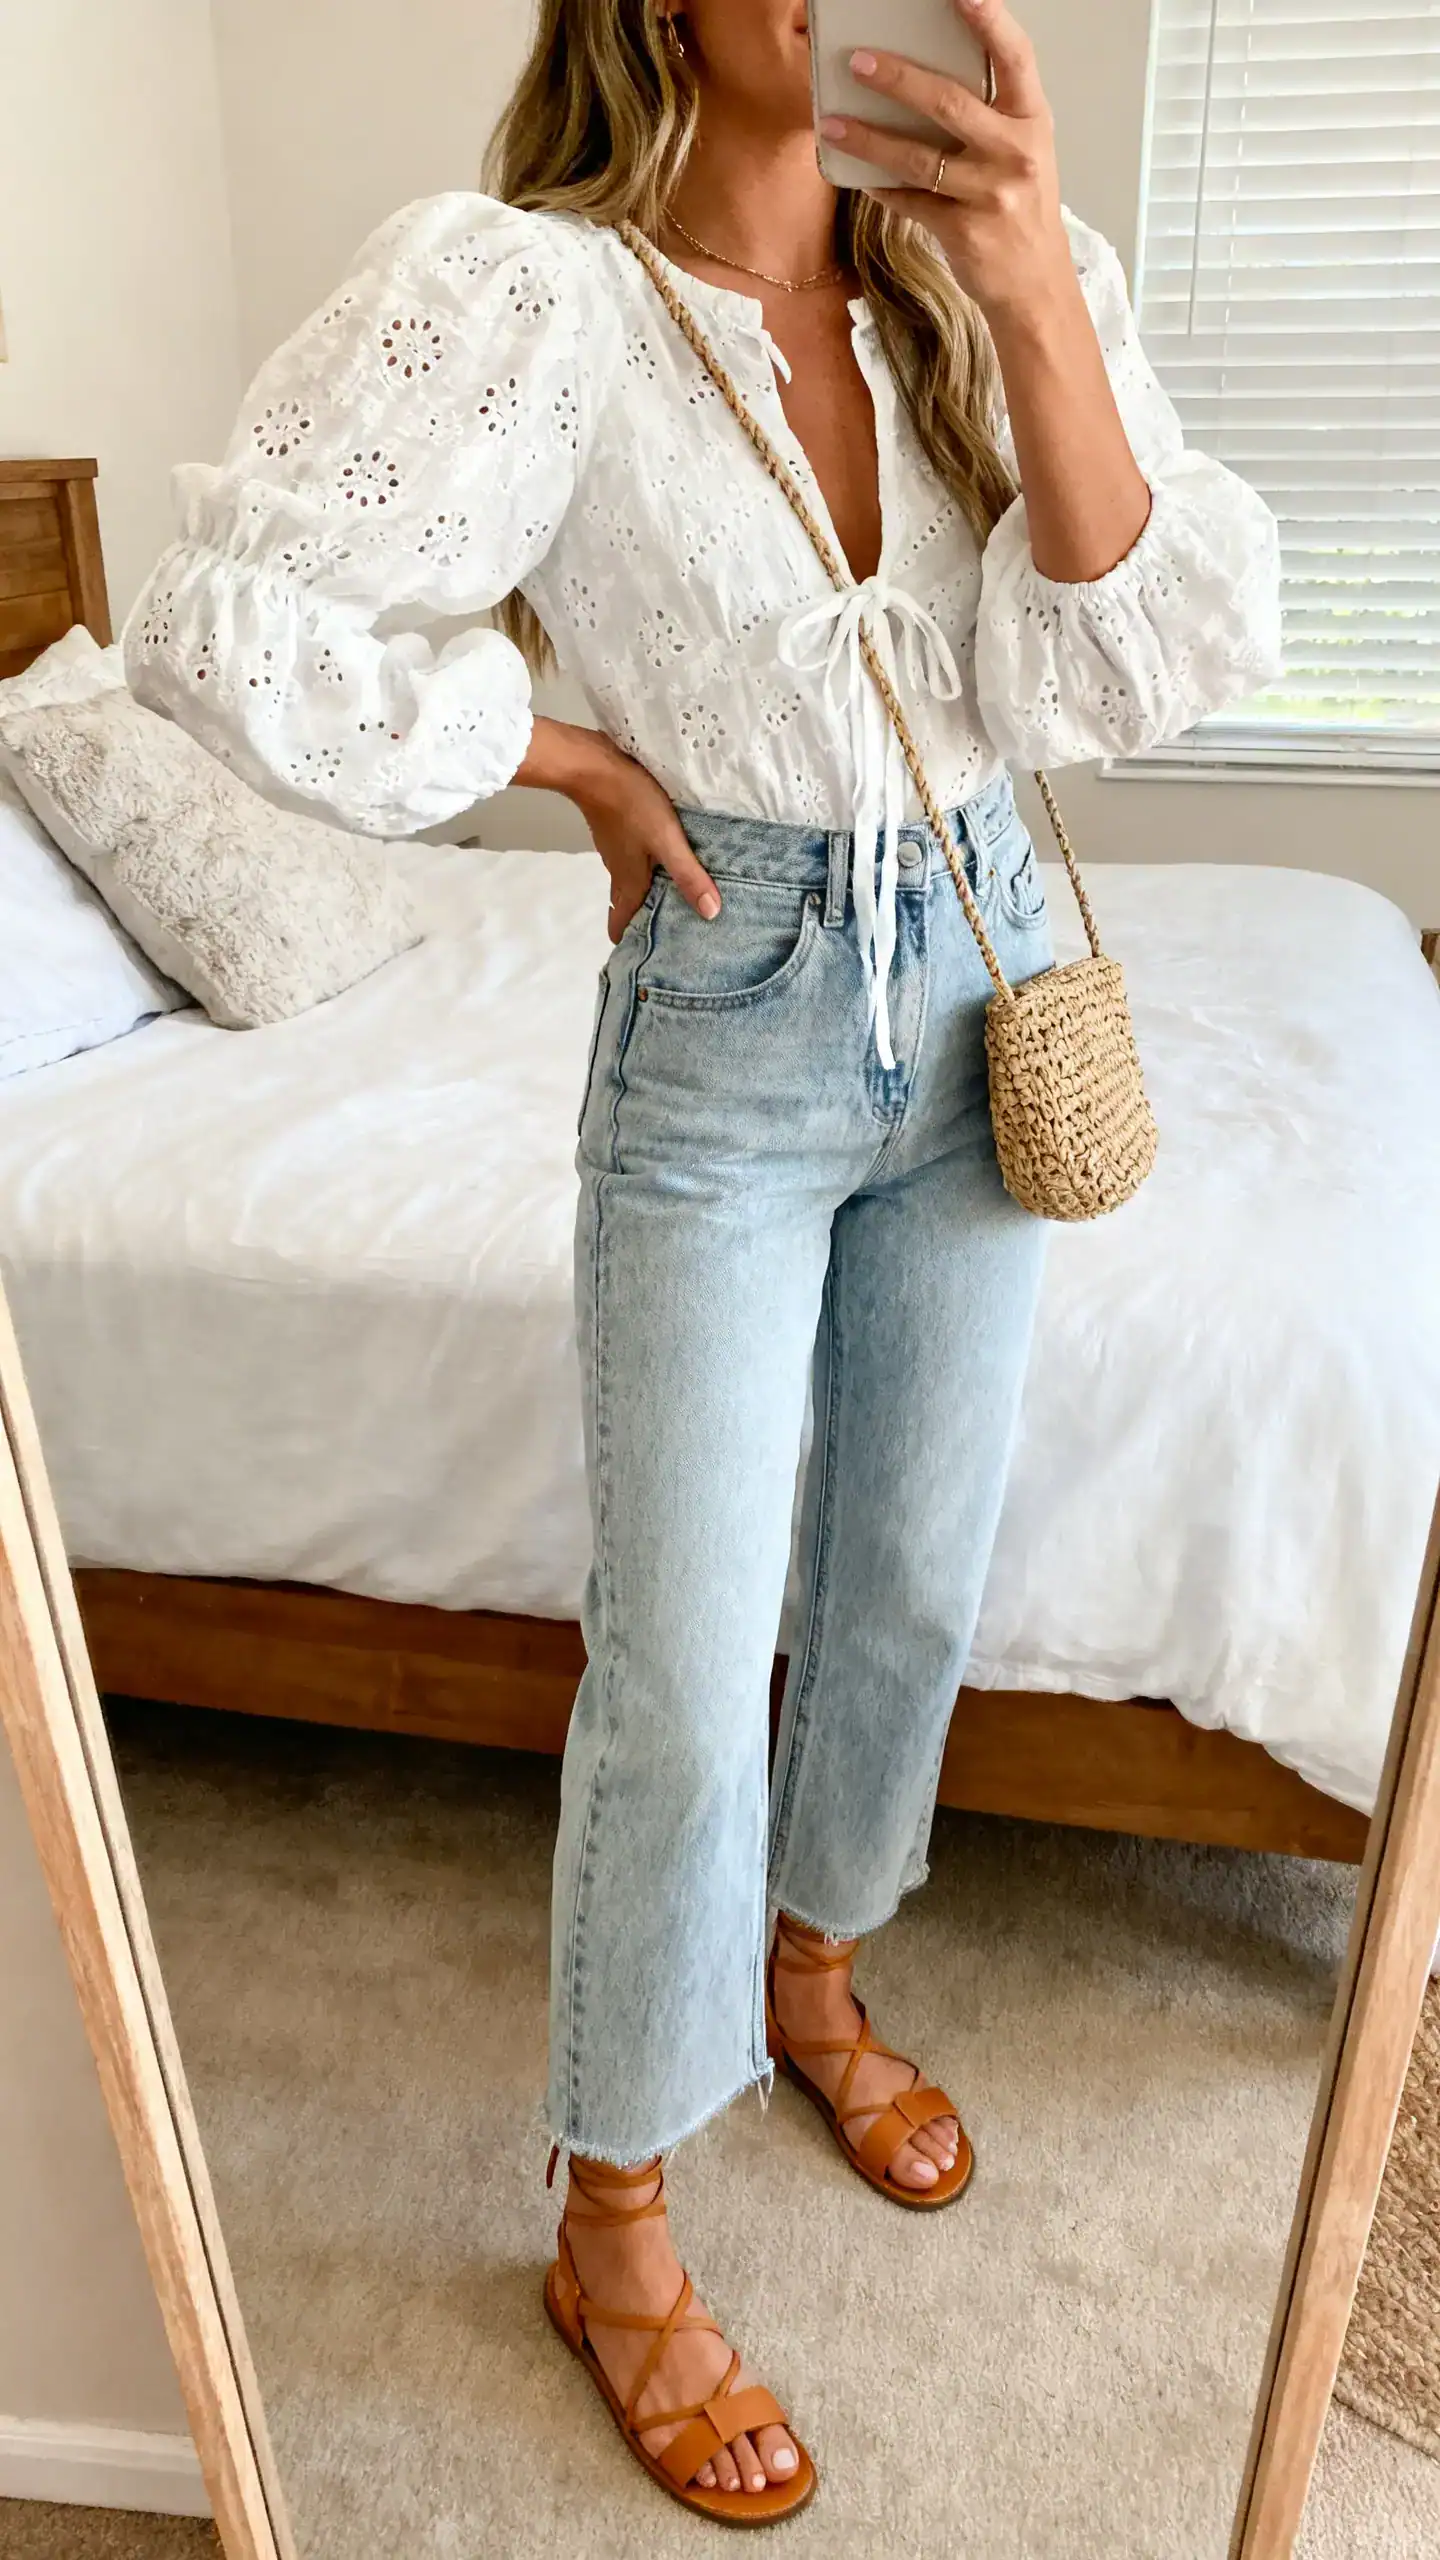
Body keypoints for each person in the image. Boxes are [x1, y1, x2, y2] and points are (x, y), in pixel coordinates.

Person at [125, 0, 1281, 2523]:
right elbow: (231, 620)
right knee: (676, 1643)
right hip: (732, 1022)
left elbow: (1149, 660)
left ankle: (818, 1965)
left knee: (905, 1577)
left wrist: (1037, 290)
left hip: (983, 978)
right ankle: (618, 2210)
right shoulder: (530, 301)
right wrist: (559, 752)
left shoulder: (988, 279)